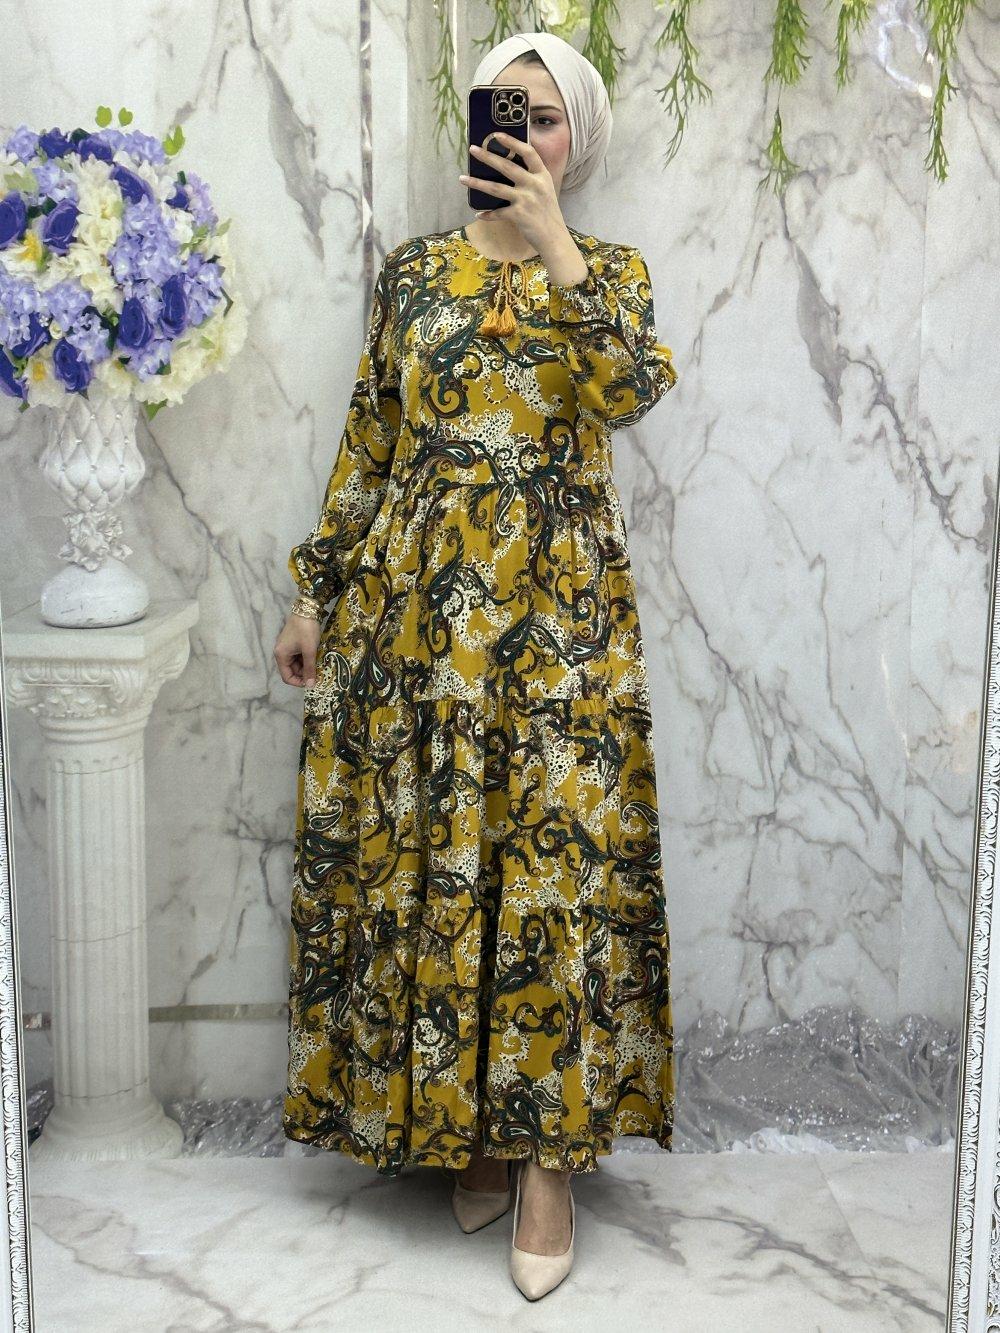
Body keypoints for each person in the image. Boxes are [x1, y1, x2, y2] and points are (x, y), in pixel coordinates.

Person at [273, 30, 679, 1302]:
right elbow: (372, 435)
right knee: (446, 854)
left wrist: (554, 243)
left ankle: (548, 1163)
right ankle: (473, 1129)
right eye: (510, 112)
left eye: (549, 118)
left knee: (552, 866)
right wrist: (315, 587)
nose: (528, 136)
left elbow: (629, 390)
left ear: (579, 142)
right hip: (419, 620)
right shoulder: (413, 273)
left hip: (560, 620)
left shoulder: (609, 272)